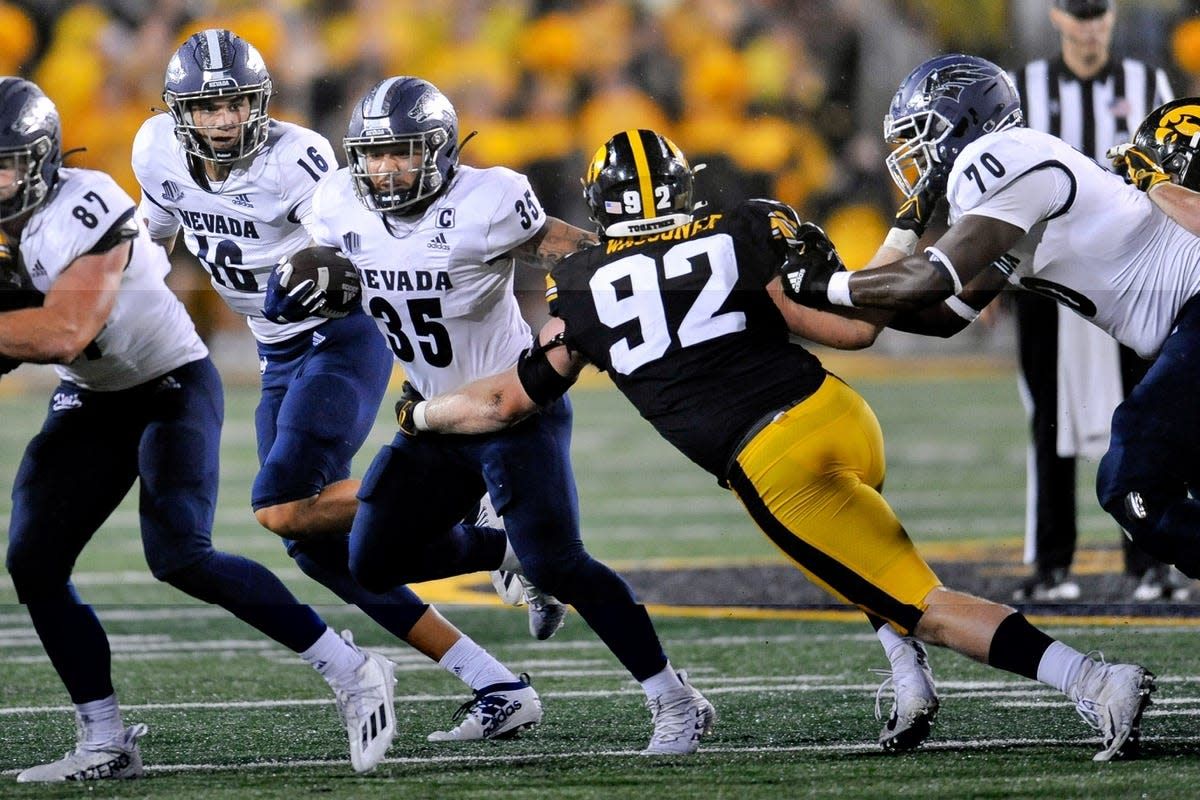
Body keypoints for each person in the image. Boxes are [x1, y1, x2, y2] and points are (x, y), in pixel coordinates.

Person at [397, 126, 1155, 761]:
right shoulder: (748, 224)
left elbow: (505, 400)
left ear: (599, 205)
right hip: (841, 414)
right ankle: (907, 675)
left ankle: (1093, 680)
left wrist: (421, 417)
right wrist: (902, 224)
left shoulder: (583, 285)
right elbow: (854, 325)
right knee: (869, 557)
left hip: (774, 461)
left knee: (924, 602)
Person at [130, 30, 545, 743]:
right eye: (208, 106)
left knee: (280, 505)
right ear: (178, 112)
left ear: (260, 103)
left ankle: (470, 496)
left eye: (236, 103)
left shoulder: (300, 161)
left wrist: (321, 276)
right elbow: (157, 231)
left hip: (337, 336)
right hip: (274, 352)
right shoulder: (155, 150)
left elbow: (360, 241)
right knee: (313, 545)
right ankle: (496, 677)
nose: (225, 120)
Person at [296, 75, 715, 755]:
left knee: (563, 563)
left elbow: (572, 254)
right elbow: (335, 274)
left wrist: (640, 278)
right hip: (433, 413)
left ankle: (674, 697)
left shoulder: (488, 201)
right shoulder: (336, 204)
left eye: (403, 152)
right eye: (374, 154)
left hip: (514, 410)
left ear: (438, 151)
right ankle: (505, 550)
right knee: (371, 562)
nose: (387, 168)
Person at [0, 76, 397, 782]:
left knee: (179, 555)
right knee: (33, 561)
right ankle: (105, 738)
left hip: (169, 385)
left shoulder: (85, 204)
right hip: (90, 397)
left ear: (39, 159)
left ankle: (351, 666)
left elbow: (65, 330)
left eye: (2, 164)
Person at [780, 54, 1200, 608]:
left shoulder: (1000, 154)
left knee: (1131, 481)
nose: (911, 155)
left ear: (958, 121)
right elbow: (945, 316)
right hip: (1182, 329)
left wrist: (827, 284)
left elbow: (929, 281)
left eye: (919, 133)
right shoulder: (1015, 186)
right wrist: (892, 239)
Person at [1008, 0, 1179, 602]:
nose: (1089, 26)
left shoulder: (1147, 83)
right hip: (1051, 270)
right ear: (1056, 16)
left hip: (1135, 273)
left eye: (1098, 13)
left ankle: (1152, 558)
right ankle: (1052, 562)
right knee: (1048, 416)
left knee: (1146, 410)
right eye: (1078, 14)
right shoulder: (1025, 88)